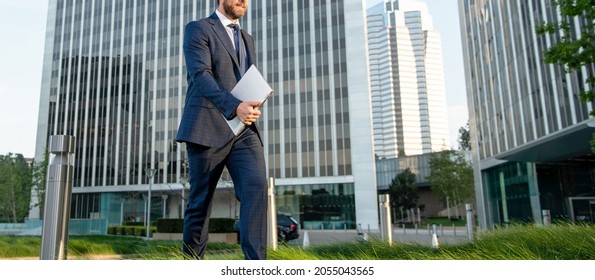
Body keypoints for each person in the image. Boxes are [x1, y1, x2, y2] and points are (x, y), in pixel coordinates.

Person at [175, 0, 267, 260]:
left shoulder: (247, 38)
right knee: (200, 203)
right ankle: (193, 263)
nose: (243, 1)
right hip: (207, 127)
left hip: (243, 131)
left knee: (256, 188)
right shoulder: (198, 29)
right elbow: (201, 75)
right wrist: (235, 106)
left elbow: (244, 79)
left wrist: (253, 101)